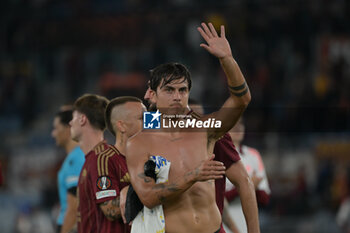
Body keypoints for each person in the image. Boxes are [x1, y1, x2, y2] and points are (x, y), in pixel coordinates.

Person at [125, 22, 254, 233]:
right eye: (169, 90)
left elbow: (242, 100)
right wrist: (192, 176)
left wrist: (227, 60)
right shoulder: (139, 142)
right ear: (153, 95)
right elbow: (148, 197)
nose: (177, 96)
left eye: (183, 90)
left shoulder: (205, 128)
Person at [189, 100, 258, 233]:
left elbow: (244, 182)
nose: (195, 120)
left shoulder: (216, 137)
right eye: (190, 115)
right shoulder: (159, 138)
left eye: (200, 116)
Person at [70, 94, 126, 233]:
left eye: (73, 118)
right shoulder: (93, 159)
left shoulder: (100, 159)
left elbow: (111, 209)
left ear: (83, 119)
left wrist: (134, 191)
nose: (70, 123)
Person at [225, 117, 271, 233]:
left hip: (247, 222)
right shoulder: (214, 154)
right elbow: (218, 198)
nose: (238, 127)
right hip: (223, 222)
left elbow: (264, 197)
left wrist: (237, 190)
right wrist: (247, 185)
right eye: (233, 123)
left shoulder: (253, 155)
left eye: (241, 124)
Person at [51, 109, 85, 233]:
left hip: (70, 225)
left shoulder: (76, 159)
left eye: (56, 128)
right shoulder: (74, 157)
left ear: (67, 129)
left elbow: (74, 206)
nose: (53, 134)